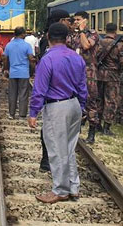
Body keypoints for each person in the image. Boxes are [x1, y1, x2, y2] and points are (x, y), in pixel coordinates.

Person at [29, 22, 87, 204]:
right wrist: (82, 106)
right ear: (67, 38)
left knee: (55, 148)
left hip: (56, 107)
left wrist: (33, 112)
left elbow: (39, 89)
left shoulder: (47, 59)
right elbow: (82, 86)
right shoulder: (77, 58)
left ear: (48, 37)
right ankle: (73, 187)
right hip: (74, 104)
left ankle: (60, 190)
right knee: (69, 148)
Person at [36, 9, 71, 173]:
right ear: (59, 21)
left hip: (64, 90)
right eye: (67, 20)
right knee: (49, 128)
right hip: (53, 91)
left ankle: (55, 159)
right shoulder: (47, 40)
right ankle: (46, 159)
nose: (69, 23)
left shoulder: (61, 39)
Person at [68, 11, 100, 143]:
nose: (76, 22)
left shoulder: (92, 34)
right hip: (74, 71)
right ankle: (76, 129)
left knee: (91, 101)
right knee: (73, 100)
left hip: (88, 72)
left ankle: (92, 132)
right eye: (74, 20)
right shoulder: (72, 35)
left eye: (78, 19)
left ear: (85, 21)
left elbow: (86, 46)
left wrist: (81, 32)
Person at [97, 23, 123, 136]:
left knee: (99, 99)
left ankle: (97, 124)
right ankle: (107, 127)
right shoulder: (119, 45)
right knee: (111, 101)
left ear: (105, 30)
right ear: (115, 32)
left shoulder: (99, 42)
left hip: (99, 75)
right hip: (113, 76)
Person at [4, 27, 34, 120]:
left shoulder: (9, 45)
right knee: (23, 94)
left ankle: (11, 114)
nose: (25, 35)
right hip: (24, 73)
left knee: (12, 94)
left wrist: (6, 69)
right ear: (22, 34)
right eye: (24, 33)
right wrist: (32, 70)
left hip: (13, 73)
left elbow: (5, 59)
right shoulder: (27, 45)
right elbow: (31, 59)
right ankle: (22, 114)